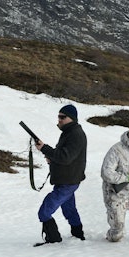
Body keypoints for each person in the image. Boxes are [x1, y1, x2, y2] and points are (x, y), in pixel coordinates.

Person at [35, 104, 87, 244]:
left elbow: (65, 157)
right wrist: (52, 159)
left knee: (44, 211)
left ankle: (53, 239)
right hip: (67, 180)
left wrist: (45, 149)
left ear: (72, 118)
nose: (59, 119)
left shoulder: (75, 134)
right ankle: (78, 235)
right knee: (69, 210)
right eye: (58, 116)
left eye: (62, 117)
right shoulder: (69, 132)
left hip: (68, 181)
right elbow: (65, 157)